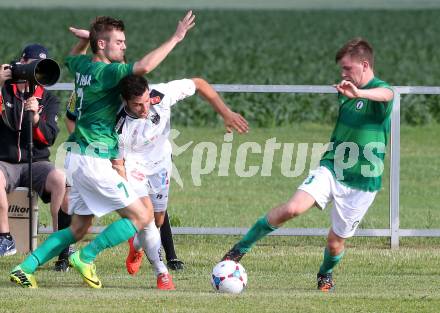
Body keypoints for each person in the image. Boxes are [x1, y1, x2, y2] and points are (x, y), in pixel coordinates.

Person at [10, 11, 195, 289]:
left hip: (76, 156)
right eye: (119, 41)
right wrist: (176, 38)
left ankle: (26, 268)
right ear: (102, 45)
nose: (124, 46)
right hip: (93, 160)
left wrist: (87, 39)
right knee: (141, 216)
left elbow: (72, 57)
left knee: (78, 228)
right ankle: (86, 257)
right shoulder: (107, 72)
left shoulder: (84, 66)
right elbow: (144, 67)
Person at [221, 37, 394, 292]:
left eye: (348, 68)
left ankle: (325, 274)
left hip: (363, 182)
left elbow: (388, 94)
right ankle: (237, 251)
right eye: (342, 69)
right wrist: (352, 93)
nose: (343, 74)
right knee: (292, 208)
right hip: (332, 168)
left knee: (335, 243)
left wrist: (360, 93)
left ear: (365, 64)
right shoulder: (346, 93)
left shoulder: (377, 93)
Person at [115, 75, 248, 276]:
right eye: (137, 106)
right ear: (125, 101)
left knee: (158, 220)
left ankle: (136, 245)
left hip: (161, 164)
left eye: (145, 102)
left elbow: (199, 84)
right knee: (147, 215)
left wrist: (226, 113)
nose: (144, 109)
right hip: (135, 167)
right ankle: (160, 272)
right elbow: (119, 164)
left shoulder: (161, 94)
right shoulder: (120, 125)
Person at [0, 44, 67, 258]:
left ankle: (61, 243)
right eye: (31, 65)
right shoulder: (4, 89)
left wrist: (36, 120)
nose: (34, 71)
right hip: (5, 161)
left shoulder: (47, 99)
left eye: (41, 66)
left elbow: (49, 137)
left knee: (60, 179)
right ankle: (5, 238)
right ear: (21, 62)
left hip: (36, 162)